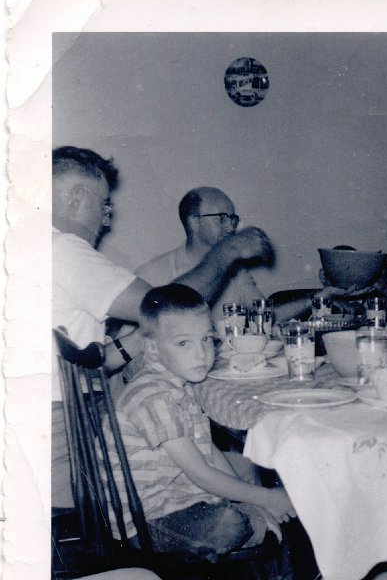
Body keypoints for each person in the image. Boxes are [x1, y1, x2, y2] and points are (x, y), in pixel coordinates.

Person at [52, 146, 274, 507]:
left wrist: (144, 338)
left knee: (231, 467)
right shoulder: (63, 249)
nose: (106, 220)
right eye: (104, 205)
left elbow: (91, 358)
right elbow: (166, 308)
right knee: (241, 471)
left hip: (65, 423)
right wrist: (226, 252)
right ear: (77, 197)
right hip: (64, 438)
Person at [106, 284, 296, 562]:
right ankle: (259, 533)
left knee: (248, 470)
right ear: (152, 349)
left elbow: (209, 451)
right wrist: (264, 499)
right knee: (232, 524)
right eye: (184, 343)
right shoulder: (155, 396)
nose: (201, 354)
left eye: (207, 339)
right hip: (146, 521)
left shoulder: (178, 383)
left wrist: (253, 498)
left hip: (173, 496)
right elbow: (200, 474)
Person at [136, 186, 267, 326]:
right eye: (222, 218)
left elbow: (265, 314)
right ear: (194, 222)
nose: (231, 227)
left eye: (232, 219)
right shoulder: (152, 274)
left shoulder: (235, 271)